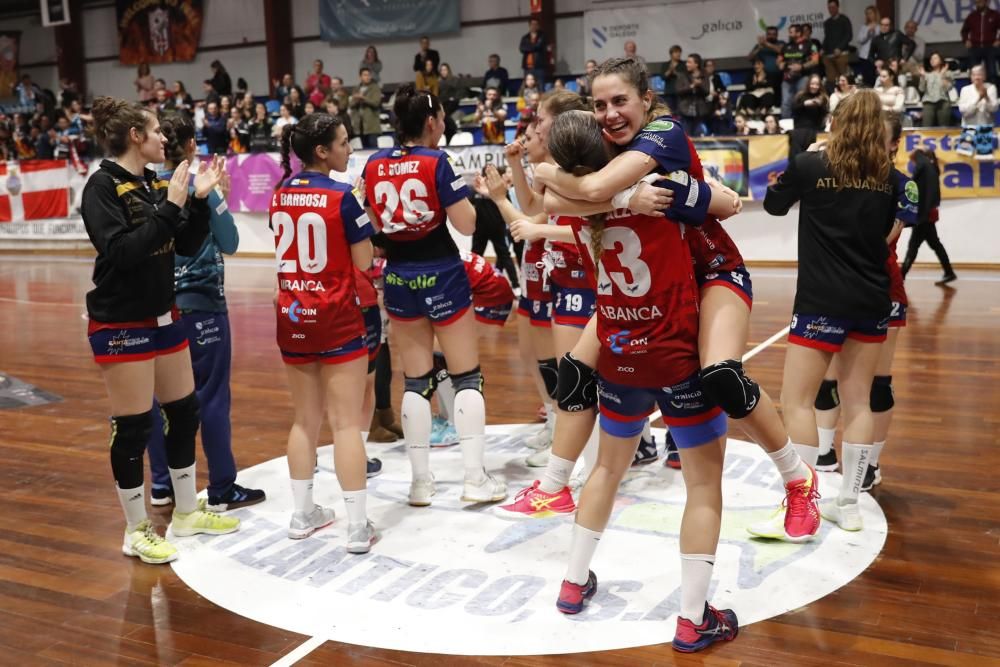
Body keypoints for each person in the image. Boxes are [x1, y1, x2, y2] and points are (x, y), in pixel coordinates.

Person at [530, 67, 740, 649]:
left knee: (605, 469)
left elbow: (559, 191)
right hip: (673, 350)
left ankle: (572, 583)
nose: (610, 113)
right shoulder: (659, 185)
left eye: (618, 101)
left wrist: (551, 169)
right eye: (602, 106)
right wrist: (711, 194)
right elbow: (725, 204)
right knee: (703, 486)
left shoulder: (576, 203)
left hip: (618, 352)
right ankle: (693, 618)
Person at [81, 97, 235, 564]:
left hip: (165, 314)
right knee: (133, 427)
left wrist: (202, 201)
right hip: (121, 320)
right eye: (156, 131)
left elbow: (181, 243)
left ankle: (186, 513)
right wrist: (171, 205)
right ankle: (136, 529)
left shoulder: (153, 183)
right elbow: (123, 252)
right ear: (135, 136)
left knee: (184, 411)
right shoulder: (101, 187)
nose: (165, 138)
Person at [362, 84, 507, 507]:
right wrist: (474, 197)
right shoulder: (437, 161)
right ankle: (473, 478)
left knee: (415, 380)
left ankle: (421, 483)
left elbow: (371, 230)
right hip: (442, 272)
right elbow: (466, 226)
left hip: (399, 276)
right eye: (442, 118)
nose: (443, 126)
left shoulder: (373, 164)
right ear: (430, 123)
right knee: (467, 377)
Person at [764, 90, 901, 532]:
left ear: (836, 124)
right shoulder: (891, 178)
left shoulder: (809, 165)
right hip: (872, 300)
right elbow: (885, 233)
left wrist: (801, 161)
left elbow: (773, 205)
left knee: (797, 401)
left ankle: (802, 505)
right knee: (859, 401)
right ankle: (850, 504)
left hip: (821, 301)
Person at [144, 112, 264, 510]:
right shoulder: (202, 186)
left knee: (160, 399)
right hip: (203, 309)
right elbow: (229, 242)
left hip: (157, 309)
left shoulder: (143, 189)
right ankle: (222, 488)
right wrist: (219, 199)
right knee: (211, 398)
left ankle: (161, 485)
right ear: (192, 146)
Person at [270, 113, 378, 551]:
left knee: (304, 420)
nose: (349, 150)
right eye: (344, 142)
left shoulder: (279, 194)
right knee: (347, 425)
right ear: (322, 151)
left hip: (292, 316)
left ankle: (302, 514)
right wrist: (361, 210)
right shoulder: (342, 197)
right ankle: (356, 527)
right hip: (337, 317)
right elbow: (365, 262)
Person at [814, 112, 919, 492]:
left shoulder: (902, 185)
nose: (869, 142)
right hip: (834, 289)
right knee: (827, 381)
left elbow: (885, 238)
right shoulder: (838, 177)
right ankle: (824, 454)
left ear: (894, 144)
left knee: (877, 384)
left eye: (880, 137)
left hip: (881, 289)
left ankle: (870, 464)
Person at [902, 148, 955, 284]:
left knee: (913, 246)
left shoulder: (922, 166)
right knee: (934, 244)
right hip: (928, 213)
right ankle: (949, 272)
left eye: (912, 162)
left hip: (923, 215)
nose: (913, 164)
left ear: (916, 158)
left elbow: (913, 187)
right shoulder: (931, 167)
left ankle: (901, 276)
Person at [470, 166, 519, 289]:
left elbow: (507, 205)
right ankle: (471, 285)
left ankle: (515, 285)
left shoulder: (499, 190)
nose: (488, 176)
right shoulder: (475, 190)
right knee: (475, 256)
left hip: (497, 228)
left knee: (504, 255)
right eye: (486, 174)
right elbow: (468, 206)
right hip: (480, 230)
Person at [780, 25, 819, 119]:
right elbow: (779, 60)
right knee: (786, 102)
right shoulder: (786, 46)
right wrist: (781, 64)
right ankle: (786, 126)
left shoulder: (810, 45)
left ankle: (804, 122)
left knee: (802, 101)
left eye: (791, 32)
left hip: (803, 77)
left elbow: (815, 61)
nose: (789, 34)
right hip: (787, 78)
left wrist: (801, 67)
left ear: (798, 33)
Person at [961, 0, 1000, 84]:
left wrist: (998, 40)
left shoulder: (995, 15)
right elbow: (964, 31)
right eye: (976, 3)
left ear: (987, 2)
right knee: (974, 72)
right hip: (975, 47)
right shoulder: (972, 16)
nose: (978, 4)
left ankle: (993, 92)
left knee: (992, 72)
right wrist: (966, 40)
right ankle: (975, 92)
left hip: (990, 47)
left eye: (980, 2)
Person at [676, 53, 710, 137]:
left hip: (700, 111)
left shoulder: (704, 75)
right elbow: (679, 91)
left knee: (698, 135)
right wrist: (692, 86)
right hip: (685, 110)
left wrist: (700, 85)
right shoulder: (682, 75)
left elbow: (707, 92)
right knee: (686, 136)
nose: (687, 64)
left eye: (689, 62)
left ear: (696, 64)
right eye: (687, 62)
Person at [350, 67, 382, 148]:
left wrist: (363, 98)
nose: (367, 77)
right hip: (359, 124)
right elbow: (351, 105)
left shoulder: (375, 87)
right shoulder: (356, 88)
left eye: (369, 75)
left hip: (371, 125)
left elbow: (376, 103)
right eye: (365, 75)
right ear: (360, 76)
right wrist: (356, 100)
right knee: (362, 150)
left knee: (373, 148)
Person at [919, 52, 954, 127]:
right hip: (928, 101)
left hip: (943, 101)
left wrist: (942, 75)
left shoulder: (948, 73)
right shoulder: (927, 75)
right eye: (931, 59)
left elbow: (948, 88)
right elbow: (921, 89)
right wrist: (922, 77)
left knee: (944, 127)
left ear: (941, 61)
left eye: (935, 58)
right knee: (926, 126)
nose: (932, 60)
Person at [822, 0, 853, 81]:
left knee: (844, 79)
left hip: (841, 54)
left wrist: (840, 48)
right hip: (829, 56)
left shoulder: (844, 20)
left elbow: (848, 36)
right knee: (831, 80)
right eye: (829, 8)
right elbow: (827, 38)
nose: (831, 9)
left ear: (837, 7)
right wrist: (822, 49)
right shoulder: (827, 23)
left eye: (833, 7)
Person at [856, 5, 881, 85]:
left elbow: (881, 40)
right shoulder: (864, 27)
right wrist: (868, 33)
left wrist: (875, 32)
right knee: (865, 78)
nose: (869, 15)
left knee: (874, 77)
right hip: (864, 56)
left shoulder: (879, 27)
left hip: (875, 56)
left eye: (870, 13)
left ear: (875, 14)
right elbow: (859, 40)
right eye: (867, 13)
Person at [520, 17, 548, 88]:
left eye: (536, 24)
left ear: (538, 25)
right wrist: (533, 47)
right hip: (527, 68)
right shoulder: (525, 37)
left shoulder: (542, 36)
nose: (534, 26)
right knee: (527, 87)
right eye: (532, 24)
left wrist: (528, 47)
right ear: (529, 25)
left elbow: (539, 46)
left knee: (540, 86)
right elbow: (522, 49)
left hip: (539, 66)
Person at [663, 45, 684, 112]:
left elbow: (685, 77)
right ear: (671, 54)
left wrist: (675, 73)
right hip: (669, 93)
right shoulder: (666, 64)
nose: (678, 54)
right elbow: (663, 77)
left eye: (679, 52)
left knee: (680, 112)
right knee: (669, 111)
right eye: (676, 52)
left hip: (680, 93)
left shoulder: (683, 64)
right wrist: (670, 70)